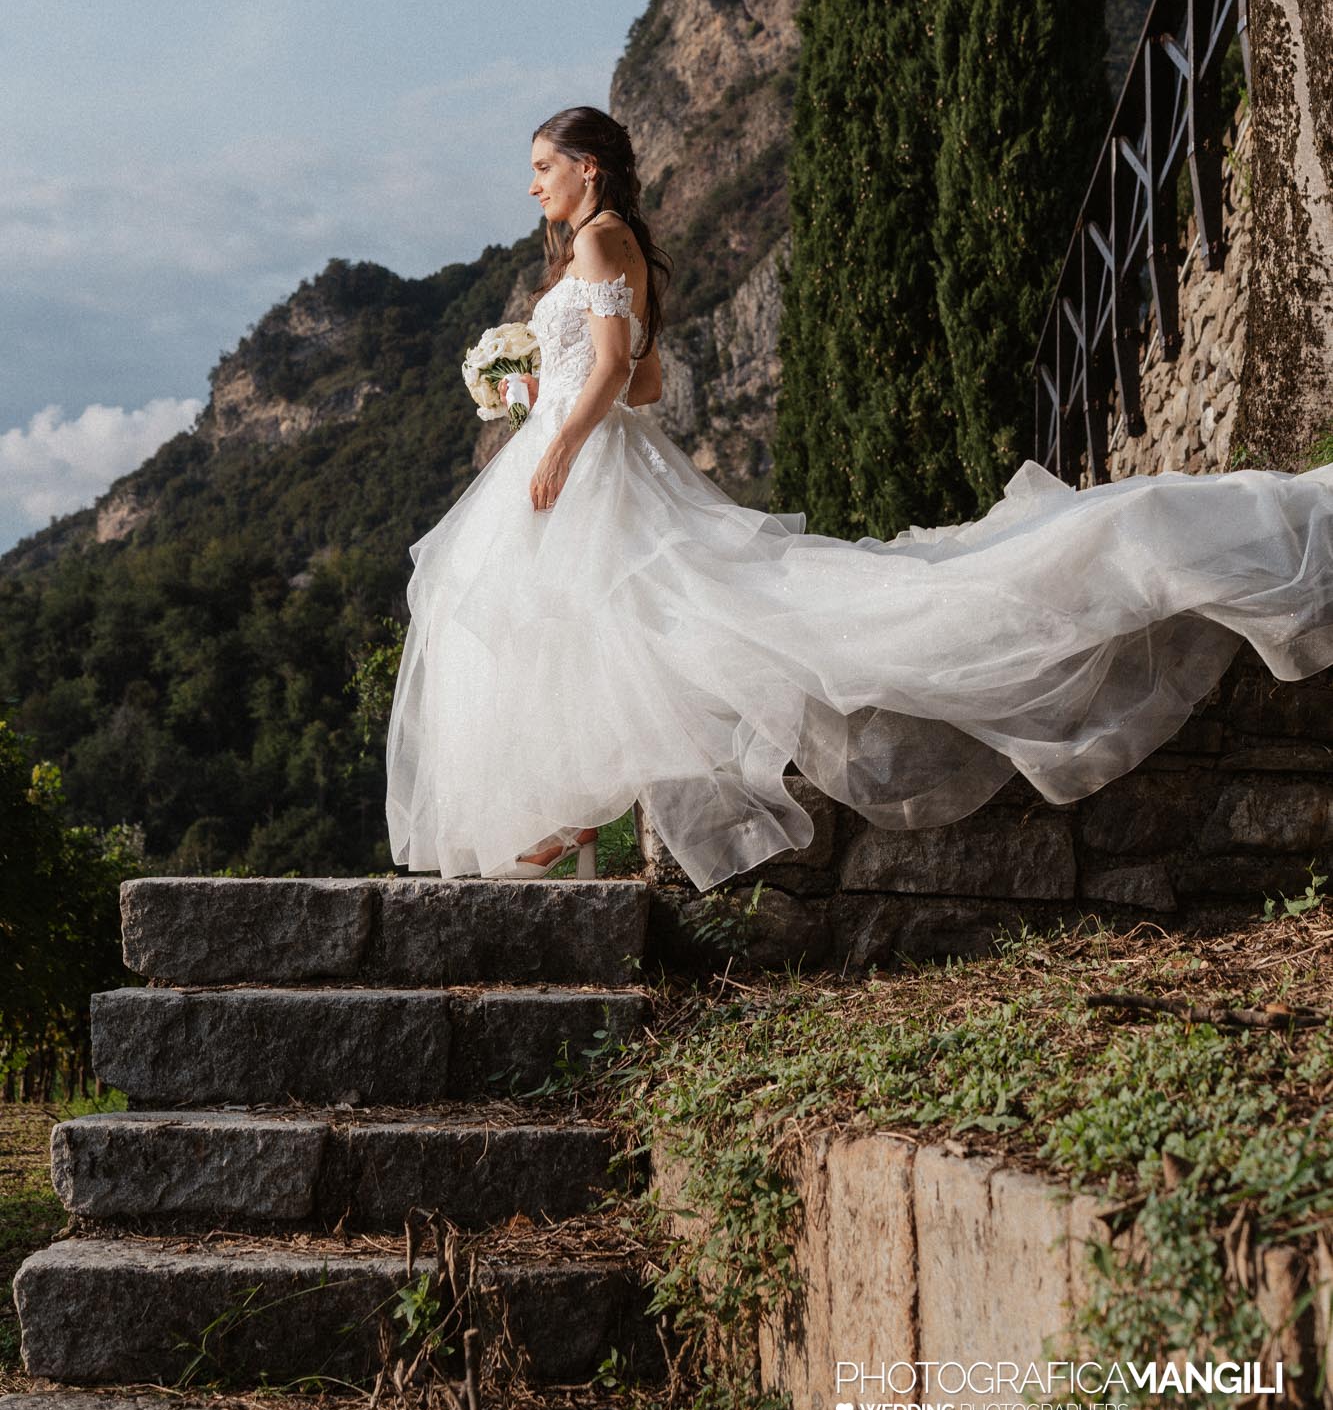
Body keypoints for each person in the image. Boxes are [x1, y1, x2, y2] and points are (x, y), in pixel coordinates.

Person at [385, 105, 1333, 889]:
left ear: (585, 168)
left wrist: (557, 441)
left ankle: (565, 818)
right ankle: (571, 816)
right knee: (599, 625)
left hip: (588, 460)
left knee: (597, 619)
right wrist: (535, 391)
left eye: (542, 166)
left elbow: (605, 374)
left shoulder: (596, 240)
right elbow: (648, 380)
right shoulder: (615, 242)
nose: (532, 185)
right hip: (603, 451)